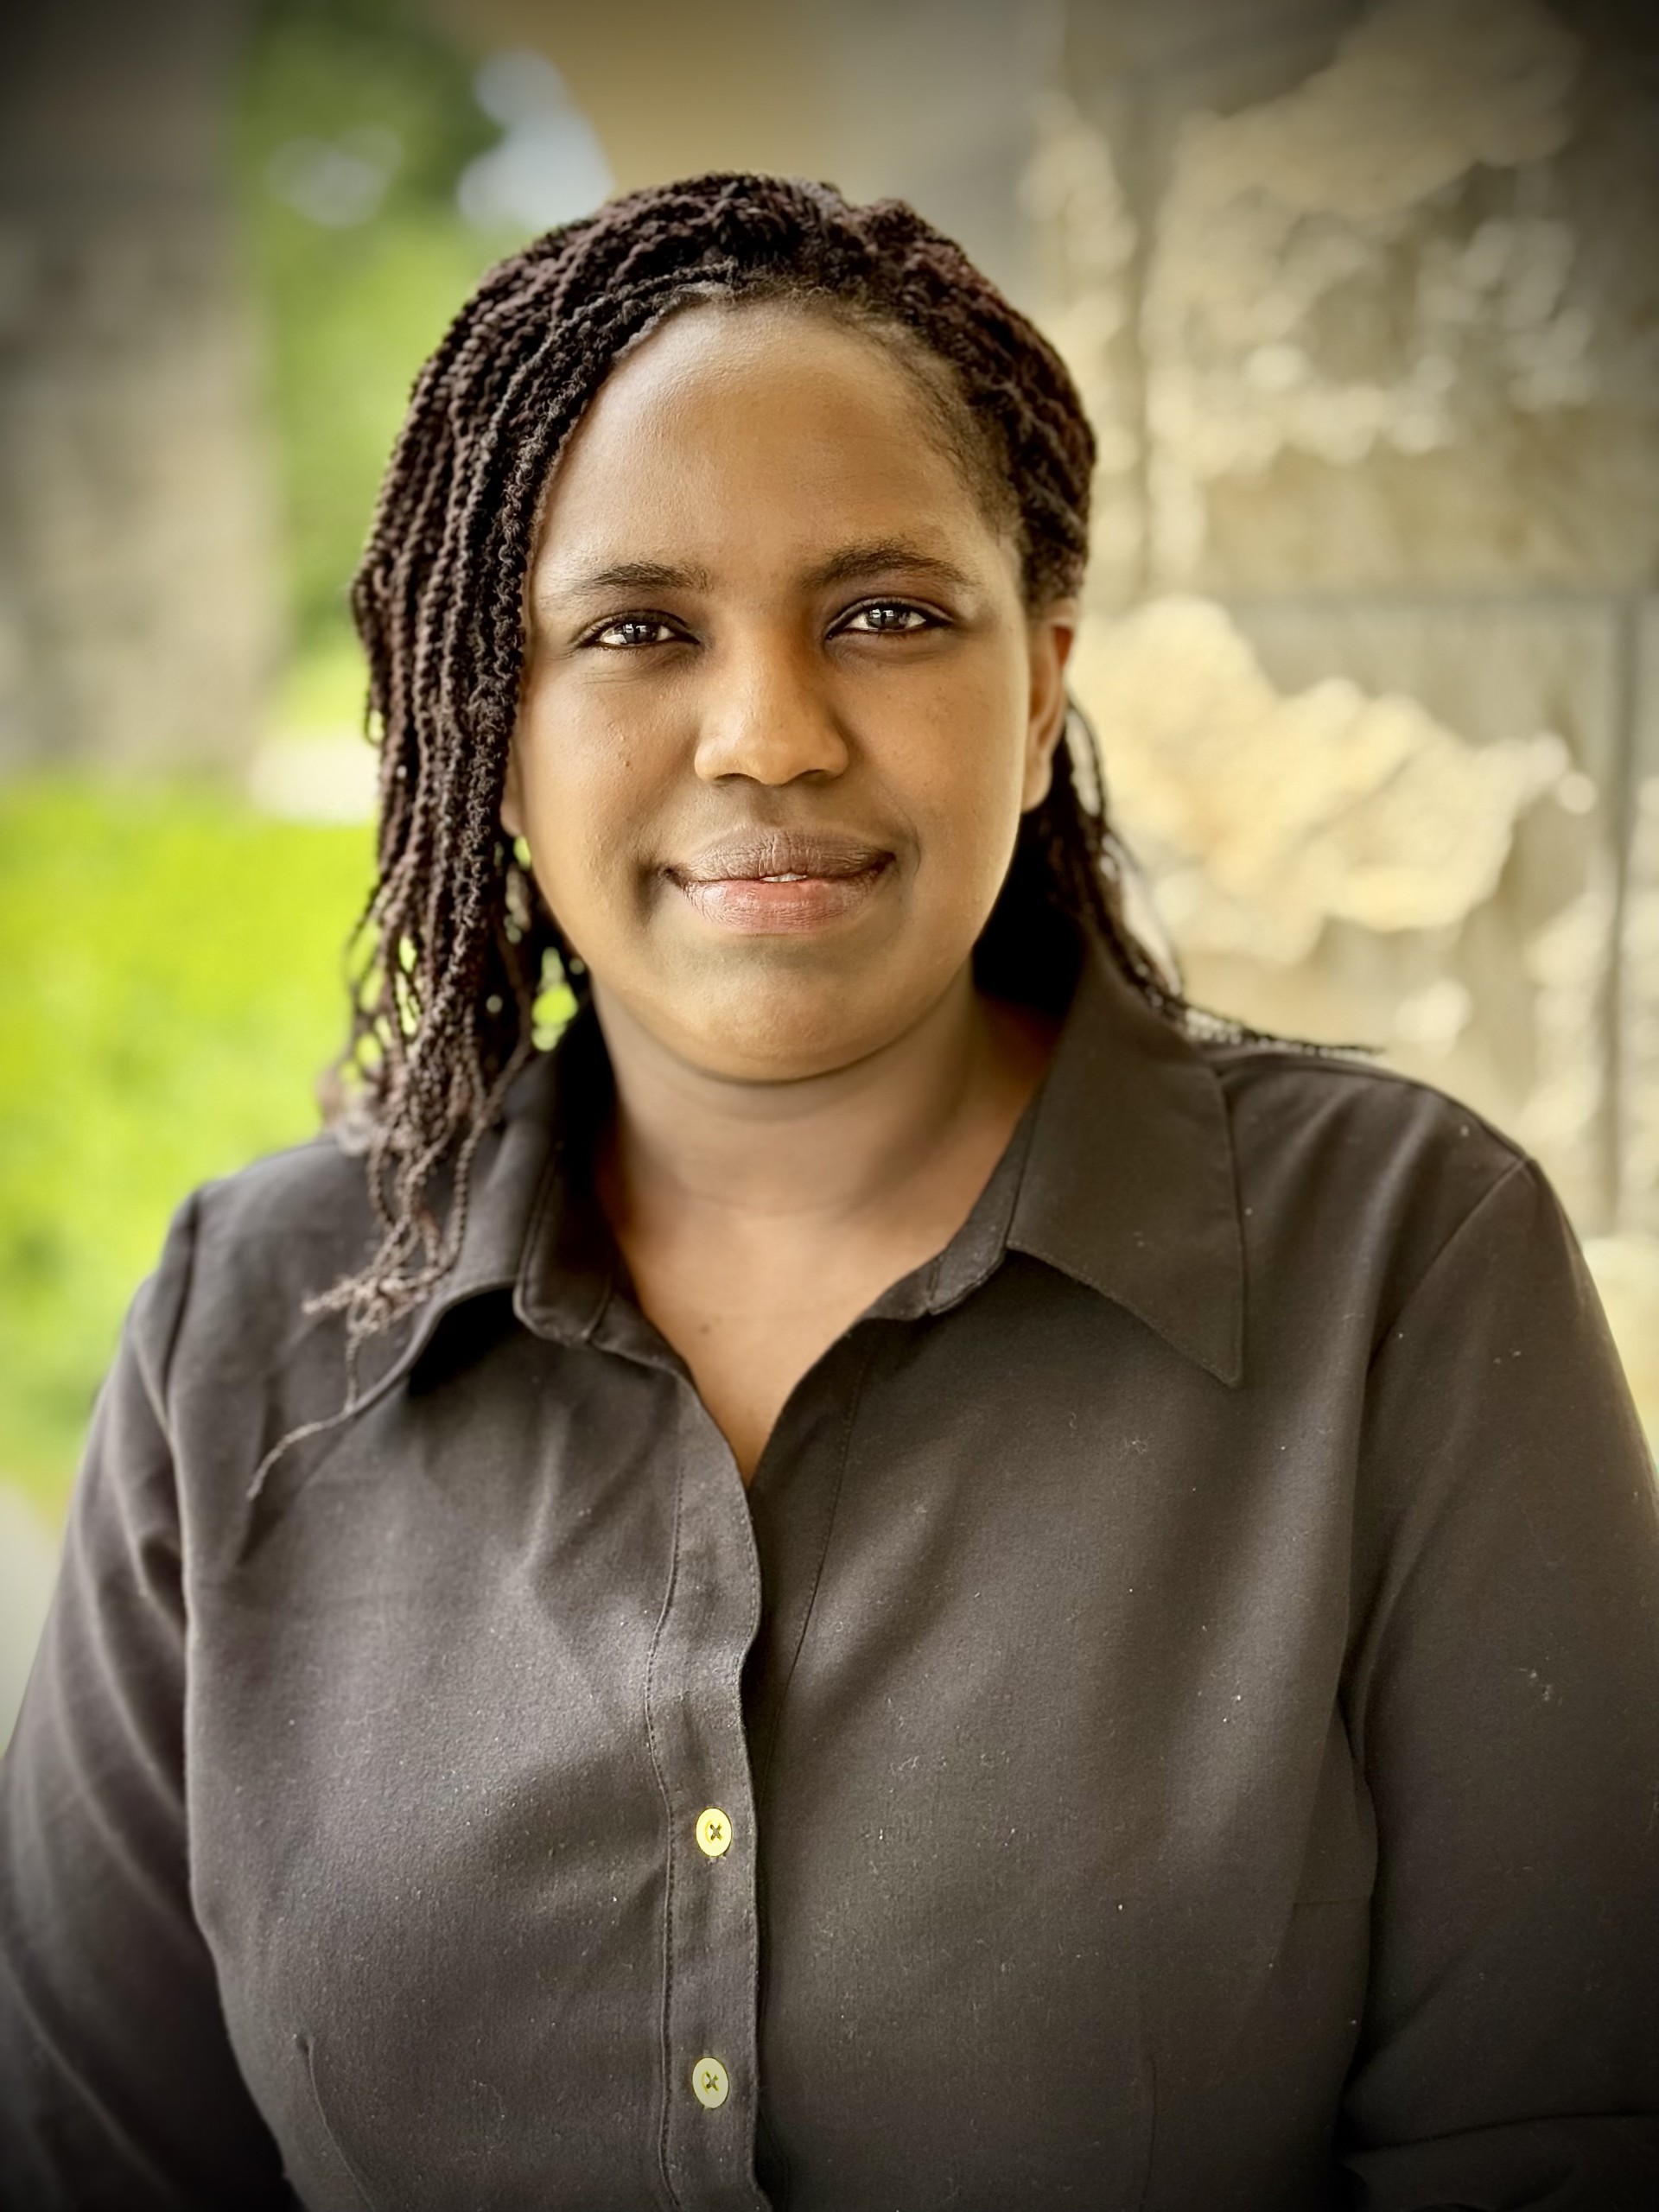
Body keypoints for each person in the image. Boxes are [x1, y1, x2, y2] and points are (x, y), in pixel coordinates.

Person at [2, 173, 1656, 2212]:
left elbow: (1559, 2134)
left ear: (1040, 694)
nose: (771, 732)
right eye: (635, 630)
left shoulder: (1400, 1259)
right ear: (489, 735)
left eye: (887, 614)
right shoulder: (244, 1317)